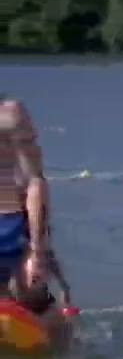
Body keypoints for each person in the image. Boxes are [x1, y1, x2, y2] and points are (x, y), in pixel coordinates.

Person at [0, 97, 50, 307]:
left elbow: (34, 185)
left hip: (14, 248)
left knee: (31, 297)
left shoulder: (9, 115)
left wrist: (36, 251)